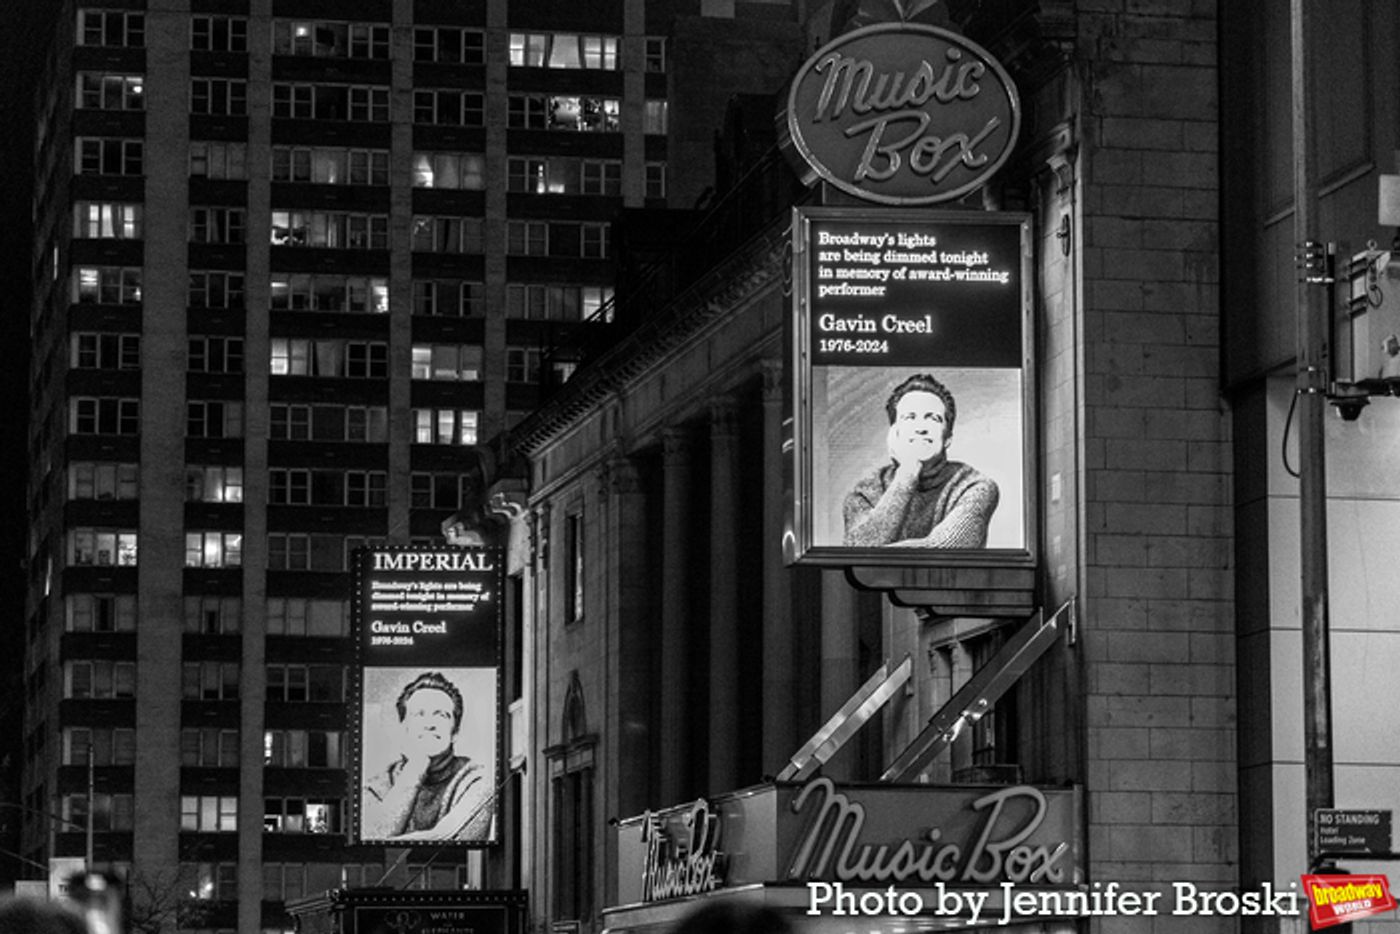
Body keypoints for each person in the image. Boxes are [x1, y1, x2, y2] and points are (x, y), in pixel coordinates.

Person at [842, 373, 999, 548]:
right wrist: (908, 471)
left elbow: (943, 552)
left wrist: (877, 557)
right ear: (894, 433)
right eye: (909, 417)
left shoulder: (975, 486)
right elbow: (858, 553)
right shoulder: (866, 491)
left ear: (947, 437)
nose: (920, 428)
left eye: (933, 418)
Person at [362, 671, 494, 842]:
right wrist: (417, 764)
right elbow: (372, 838)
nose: (429, 724)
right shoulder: (376, 786)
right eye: (419, 714)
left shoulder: (477, 779)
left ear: (455, 732)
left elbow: (450, 840)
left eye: (441, 715)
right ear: (403, 728)